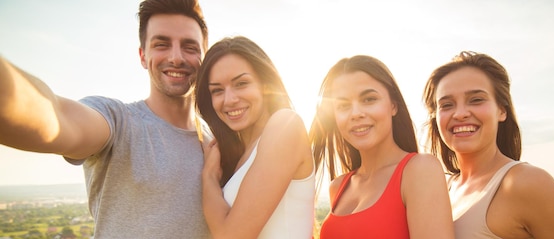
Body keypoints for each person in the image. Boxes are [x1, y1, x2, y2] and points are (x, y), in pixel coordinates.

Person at [0, 0, 212, 237]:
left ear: (205, 56)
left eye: (190, 47)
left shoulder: (215, 141)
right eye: (161, 44)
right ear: (143, 55)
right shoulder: (118, 121)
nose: (176, 57)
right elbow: (56, 116)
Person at [422, 51, 554, 238]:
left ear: (501, 111)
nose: (460, 114)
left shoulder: (527, 183)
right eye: (447, 105)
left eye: (476, 100)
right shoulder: (442, 190)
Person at [309, 55, 455, 239]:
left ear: (393, 106)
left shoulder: (419, 170)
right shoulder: (338, 187)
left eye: (369, 99)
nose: (356, 113)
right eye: (344, 105)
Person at [195, 36, 315, 239]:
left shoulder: (285, 125)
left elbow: (230, 236)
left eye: (241, 83)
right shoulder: (241, 154)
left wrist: (208, 176)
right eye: (217, 90)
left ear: (265, 85)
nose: (229, 100)